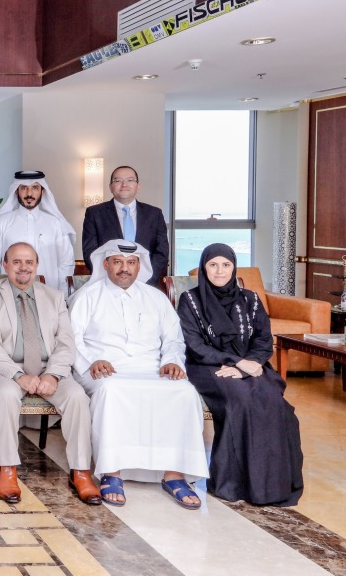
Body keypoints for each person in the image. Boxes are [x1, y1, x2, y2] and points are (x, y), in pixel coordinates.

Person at [69, 240, 209, 509]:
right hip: (102, 370)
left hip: (151, 369)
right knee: (112, 391)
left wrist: (171, 360)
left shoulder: (155, 297)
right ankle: (113, 471)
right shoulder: (88, 295)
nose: (125, 269)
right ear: (106, 264)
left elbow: (173, 339)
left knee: (184, 392)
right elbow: (71, 339)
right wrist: (91, 362)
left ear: (139, 266)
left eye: (131, 263)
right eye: (118, 262)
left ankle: (174, 473)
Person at [0, 242, 100, 506]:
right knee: (7, 395)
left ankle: (80, 471)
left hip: (47, 368)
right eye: (16, 262)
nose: (23, 268)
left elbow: (67, 343)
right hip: (4, 368)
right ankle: (8, 469)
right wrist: (19, 375)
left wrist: (53, 375)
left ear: (37, 266)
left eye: (29, 262)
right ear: (5, 265)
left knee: (77, 396)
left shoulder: (53, 297)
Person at [178, 243, 303, 506]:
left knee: (275, 403)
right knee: (241, 401)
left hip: (249, 366)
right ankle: (233, 484)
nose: (220, 271)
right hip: (207, 367)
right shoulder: (190, 300)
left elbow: (263, 340)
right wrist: (236, 362)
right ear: (204, 268)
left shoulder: (250, 299)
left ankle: (271, 485)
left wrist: (249, 363)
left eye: (226, 265)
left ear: (234, 267)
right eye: (213, 265)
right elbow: (195, 346)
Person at [0, 170, 75, 293]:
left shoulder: (56, 223)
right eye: (24, 188)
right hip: (9, 294)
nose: (29, 193)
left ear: (42, 191)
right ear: (16, 191)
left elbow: (66, 262)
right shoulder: (2, 222)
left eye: (35, 188)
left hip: (49, 293)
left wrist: (63, 294)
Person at [82, 166, 170, 286]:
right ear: (110, 186)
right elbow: (90, 252)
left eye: (130, 180)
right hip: (107, 284)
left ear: (138, 186)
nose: (124, 184)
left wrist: (144, 278)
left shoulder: (154, 214)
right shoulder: (95, 213)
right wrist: (113, 278)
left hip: (146, 285)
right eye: (118, 181)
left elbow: (162, 252)